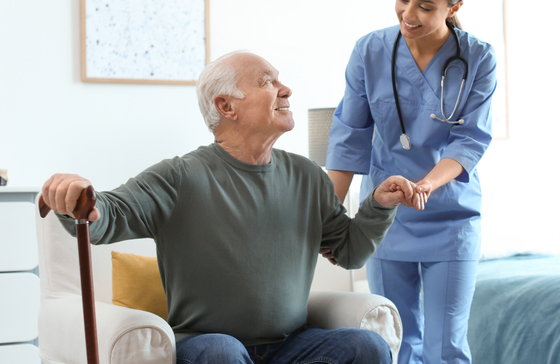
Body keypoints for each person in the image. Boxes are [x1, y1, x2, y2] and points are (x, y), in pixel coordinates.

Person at [41, 50, 419, 364]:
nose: (285, 89)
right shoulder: (180, 176)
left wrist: (378, 206)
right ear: (226, 106)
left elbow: (349, 252)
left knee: (366, 347)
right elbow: (108, 215)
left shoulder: (307, 176)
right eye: (267, 81)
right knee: (224, 352)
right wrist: (75, 199)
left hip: (292, 346)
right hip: (207, 347)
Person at [323, 0, 497, 363]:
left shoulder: (478, 57)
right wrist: (327, 219)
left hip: (451, 216)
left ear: (454, 8)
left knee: (446, 348)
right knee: (395, 343)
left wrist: (426, 185)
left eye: (425, 5)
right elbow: (350, 134)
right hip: (383, 220)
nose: (409, 13)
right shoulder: (370, 50)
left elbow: (470, 140)